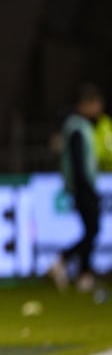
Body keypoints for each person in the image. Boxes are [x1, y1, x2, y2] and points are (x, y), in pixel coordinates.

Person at [48, 84, 105, 292]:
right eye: (95, 103)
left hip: (82, 186)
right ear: (85, 104)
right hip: (82, 187)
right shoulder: (77, 128)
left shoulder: (78, 126)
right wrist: (86, 188)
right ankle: (74, 267)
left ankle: (80, 271)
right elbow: (78, 163)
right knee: (92, 228)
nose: (99, 108)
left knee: (91, 229)